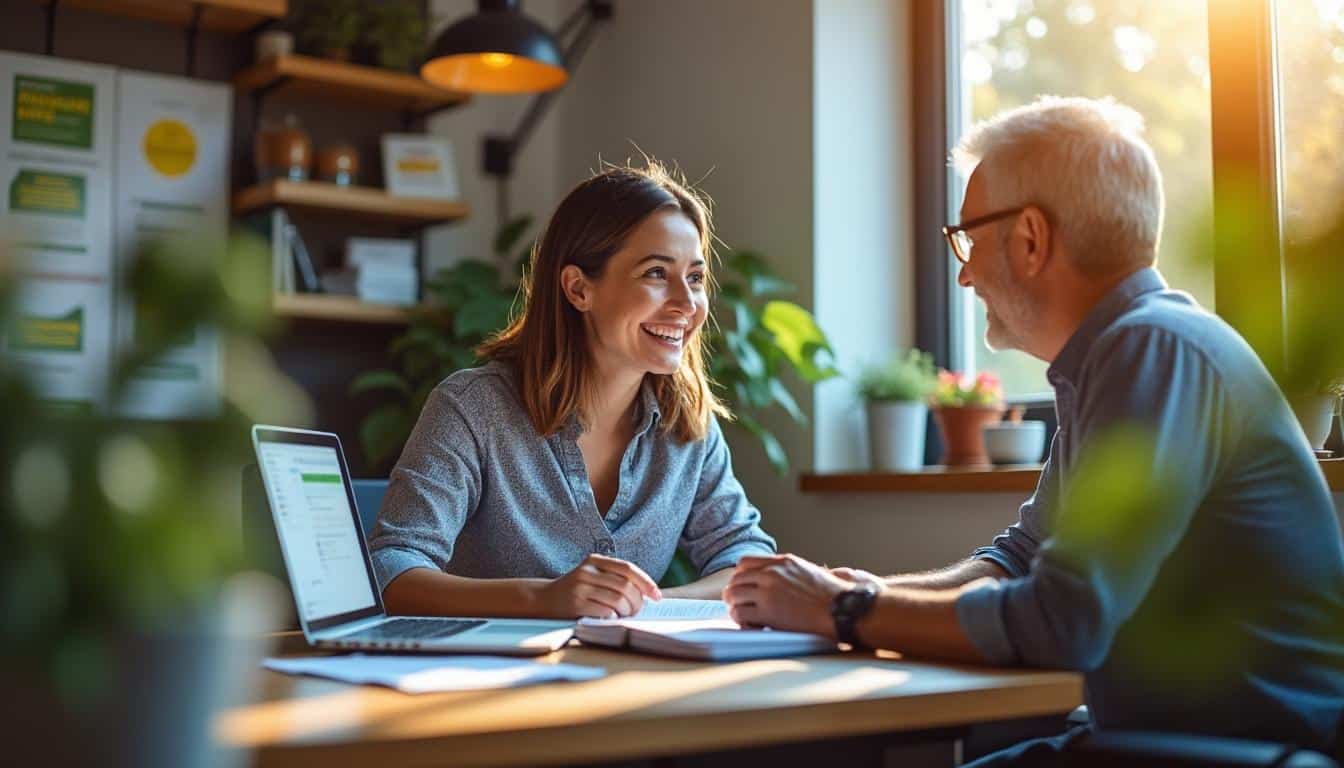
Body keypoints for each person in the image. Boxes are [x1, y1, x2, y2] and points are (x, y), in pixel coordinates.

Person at [724, 96, 1344, 761]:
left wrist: (841, 610)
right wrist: (861, 593)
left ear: (1029, 238)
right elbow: (1021, 556)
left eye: (967, 238)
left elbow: (1062, 620)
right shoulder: (1122, 352)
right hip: (1163, 741)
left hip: (1236, 753)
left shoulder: (1151, 349)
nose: (963, 272)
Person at [368, 163, 776, 620]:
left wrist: (642, 609)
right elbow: (390, 569)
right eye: (657, 273)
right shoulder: (472, 408)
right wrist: (542, 600)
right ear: (579, 289)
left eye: (695, 278)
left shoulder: (687, 425)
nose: (687, 304)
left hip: (615, 664)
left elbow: (747, 564)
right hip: (490, 665)